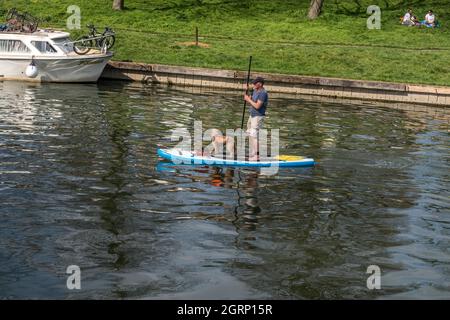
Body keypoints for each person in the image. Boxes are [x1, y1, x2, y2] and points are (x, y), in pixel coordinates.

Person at [244, 76, 268, 161]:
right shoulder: (255, 91)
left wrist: (248, 100)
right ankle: (253, 153)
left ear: (260, 84)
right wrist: (248, 96)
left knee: (254, 135)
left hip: (258, 117)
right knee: (250, 134)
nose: (253, 84)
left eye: (255, 83)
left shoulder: (263, 93)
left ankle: (257, 155)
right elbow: (252, 102)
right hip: (252, 116)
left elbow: (257, 106)